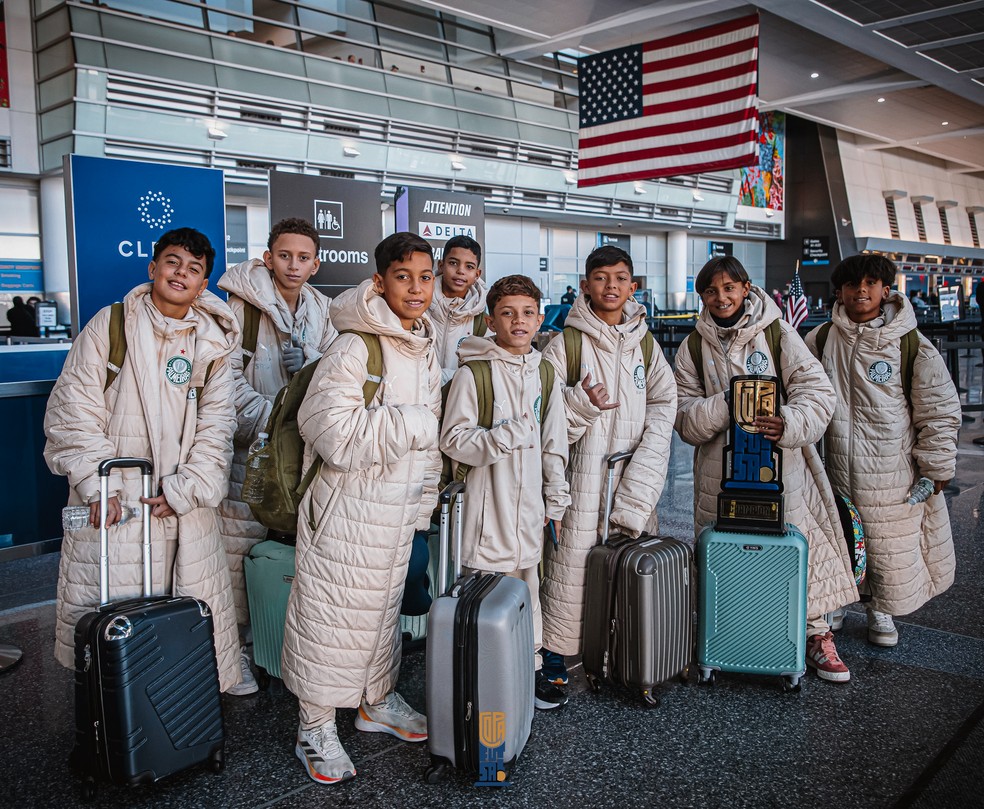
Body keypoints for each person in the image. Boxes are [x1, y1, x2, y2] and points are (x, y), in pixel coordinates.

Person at [43, 227, 242, 692]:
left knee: (181, 620)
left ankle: (176, 721)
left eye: (194, 269)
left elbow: (219, 426)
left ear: (203, 284)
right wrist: (99, 485)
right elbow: (73, 410)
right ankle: (118, 720)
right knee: (114, 621)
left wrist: (187, 488)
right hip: (117, 503)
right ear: (153, 268)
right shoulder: (110, 325)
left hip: (178, 505)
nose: (181, 274)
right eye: (172, 262)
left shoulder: (212, 344)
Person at [281, 232, 441, 785]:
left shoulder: (424, 344)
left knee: (380, 618)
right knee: (329, 619)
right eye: (403, 277)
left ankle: (376, 701)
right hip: (346, 511)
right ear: (379, 281)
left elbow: (432, 448)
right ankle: (315, 727)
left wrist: (422, 506)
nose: (416, 289)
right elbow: (332, 433)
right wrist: (416, 424)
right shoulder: (354, 346)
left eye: (425, 277)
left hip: (396, 513)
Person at [674, 256, 858, 684]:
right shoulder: (693, 346)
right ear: (702, 297)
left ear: (746, 288)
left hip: (781, 469)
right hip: (719, 477)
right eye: (711, 291)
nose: (721, 298)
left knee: (793, 551)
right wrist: (729, 401)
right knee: (725, 557)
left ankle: (814, 634)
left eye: (729, 288)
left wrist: (788, 423)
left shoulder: (777, 334)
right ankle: (726, 635)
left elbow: (818, 393)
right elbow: (684, 419)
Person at [539, 245, 677, 686]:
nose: (611, 286)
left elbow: (663, 405)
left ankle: (620, 651)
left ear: (633, 286)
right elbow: (543, 416)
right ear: (584, 286)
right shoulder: (566, 344)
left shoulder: (647, 345)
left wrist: (641, 480)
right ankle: (557, 658)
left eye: (620, 278)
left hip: (631, 480)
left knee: (624, 568)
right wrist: (582, 405)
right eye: (601, 277)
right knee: (569, 572)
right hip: (581, 481)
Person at [805, 254, 960, 647]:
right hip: (834, 461)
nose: (862, 291)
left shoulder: (912, 345)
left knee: (887, 544)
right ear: (838, 292)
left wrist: (936, 464)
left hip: (891, 468)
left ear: (886, 290)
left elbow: (938, 410)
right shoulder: (820, 340)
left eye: (871, 283)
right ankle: (837, 600)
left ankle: (882, 610)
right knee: (836, 534)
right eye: (854, 284)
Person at [216, 217, 337, 696]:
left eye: (303, 257)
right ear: (268, 257)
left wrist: (307, 366)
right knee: (235, 555)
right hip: (250, 453)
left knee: (285, 556)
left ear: (316, 263)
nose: (293, 265)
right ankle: (236, 654)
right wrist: (278, 415)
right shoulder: (236, 310)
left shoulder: (323, 310)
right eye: (284, 255)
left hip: (300, 456)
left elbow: (332, 375)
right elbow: (220, 385)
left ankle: (279, 645)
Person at [440, 274, 571, 710]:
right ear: (490, 320)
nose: (519, 321)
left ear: (539, 318)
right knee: (485, 596)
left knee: (528, 593)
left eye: (528, 312)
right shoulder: (474, 372)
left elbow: (554, 444)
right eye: (507, 313)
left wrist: (555, 501)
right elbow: (454, 440)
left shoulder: (546, 373)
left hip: (530, 512)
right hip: (485, 512)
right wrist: (504, 437)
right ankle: (485, 677)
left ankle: (529, 671)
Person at [428, 234, 487, 385]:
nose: (461, 271)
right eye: (453, 263)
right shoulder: (419, 304)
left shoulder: (481, 320)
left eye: (469, 267)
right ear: (441, 265)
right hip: (418, 395)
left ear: (477, 274)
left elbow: (482, 369)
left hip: (459, 396)